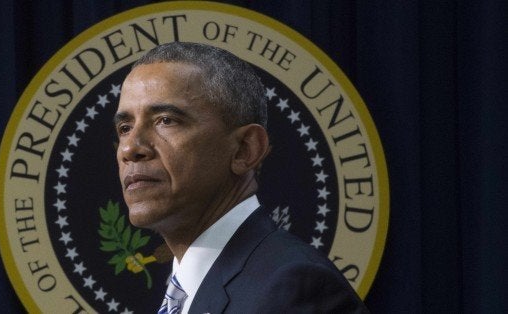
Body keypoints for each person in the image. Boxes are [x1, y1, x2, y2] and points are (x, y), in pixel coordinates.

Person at [114, 42, 368, 313]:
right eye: (125, 127)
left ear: (246, 150)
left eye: (166, 120)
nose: (130, 148)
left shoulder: (292, 288)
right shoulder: (188, 288)